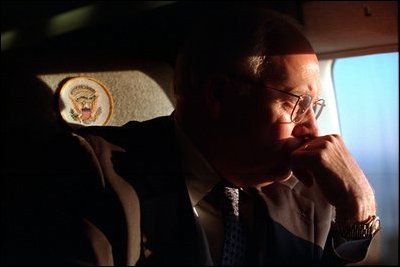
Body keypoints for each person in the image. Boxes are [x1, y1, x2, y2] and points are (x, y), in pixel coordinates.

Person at [47, 6, 380, 266]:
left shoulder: (311, 195)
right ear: (219, 95)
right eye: (296, 104)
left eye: (314, 107)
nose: (312, 130)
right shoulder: (93, 175)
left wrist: (358, 211)